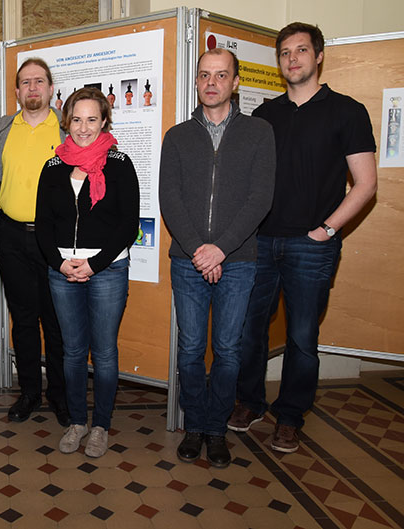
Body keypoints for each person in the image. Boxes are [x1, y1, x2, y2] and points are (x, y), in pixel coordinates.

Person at [230, 22, 378, 452]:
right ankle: (250, 402)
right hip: (258, 243)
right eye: (285, 53)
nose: (292, 59)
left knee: (301, 337)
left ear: (318, 56)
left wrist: (326, 230)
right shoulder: (264, 116)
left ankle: (290, 416)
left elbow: (366, 184)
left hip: (311, 246)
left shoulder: (347, 111)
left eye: (300, 50)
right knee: (248, 330)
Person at [159, 49, 276, 468]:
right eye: (205, 75)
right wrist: (198, 250)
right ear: (196, 81)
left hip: (239, 260)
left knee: (228, 350)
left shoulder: (259, 132)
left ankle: (216, 429)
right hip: (187, 261)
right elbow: (169, 198)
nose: (212, 82)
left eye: (221, 75)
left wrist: (221, 249)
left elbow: (260, 198)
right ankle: (194, 425)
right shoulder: (176, 136)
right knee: (190, 349)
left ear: (236, 81)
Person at [35, 87, 140, 458]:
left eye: (91, 119)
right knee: (72, 352)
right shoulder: (53, 166)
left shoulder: (121, 163)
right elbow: (43, 224)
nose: (83, 127)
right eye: (76, 119)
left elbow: (128, 225)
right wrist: (59, 262)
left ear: (104, 121)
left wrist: (94, 264)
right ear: (67, 122)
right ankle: (77, 421)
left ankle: (101, 426)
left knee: (105, 352)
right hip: (62, 271)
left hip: (108, 270)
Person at [0, 58, 68, 426]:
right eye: (25, 83)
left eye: (39, 81)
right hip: (11, 236)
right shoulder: (1, 130)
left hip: (55, 241)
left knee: (57, 321)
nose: (32, 88)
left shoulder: (68, 129)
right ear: (16, 91)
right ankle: (30, 392)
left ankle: (60, 395)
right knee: (22, 319)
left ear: (51, 89)